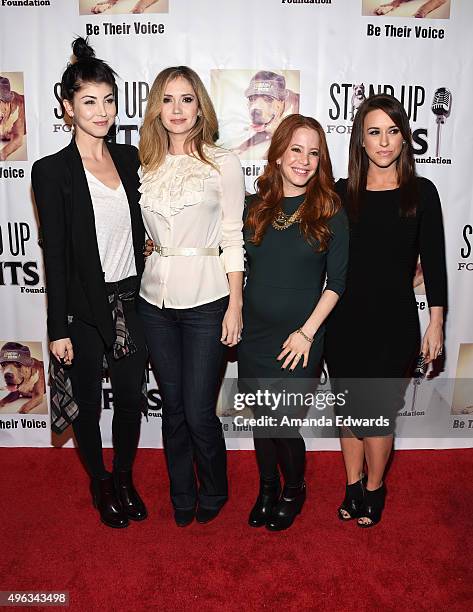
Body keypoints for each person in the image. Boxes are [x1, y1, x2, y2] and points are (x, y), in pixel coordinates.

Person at [31, 38, 148, 529]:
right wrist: (57, 327)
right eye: (88, 101)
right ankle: (100, 483)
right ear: (67, 107)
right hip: (82, 310)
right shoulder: (50, 171)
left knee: (130, 398)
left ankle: (123, 476)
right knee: (86, 406)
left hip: (132, 302)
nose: (101, 111)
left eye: (108, 100)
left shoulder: (130, 157)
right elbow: (53, 256)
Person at [325, 94, 447, 527]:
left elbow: (433, 261)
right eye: (374, 132)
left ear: (404, 138)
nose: (384, 141)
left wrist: (436, 321)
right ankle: (352, 484)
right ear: (361, 138)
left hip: (393, 324)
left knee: (376, 414)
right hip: (344, 323)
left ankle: (375, 486)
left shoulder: (422, 192)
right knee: (348, 412)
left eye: (393, 131)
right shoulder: (342, 192)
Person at [137, 66, 245, 527]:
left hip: (207, 301)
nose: (177, 109)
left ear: (200, 106)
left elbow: (234, 236)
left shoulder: (224, 163)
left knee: (200, 412)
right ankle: (182, 494)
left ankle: (215, 489)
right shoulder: (147, 165)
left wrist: (236, 305)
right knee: (173, 409)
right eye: (167, 99)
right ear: (156, 108)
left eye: (186, 99)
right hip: (153, 303)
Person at [239, 114, 349, 531]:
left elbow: (336, 283)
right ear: (279, 153)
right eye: (296, 149)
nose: (304, 160)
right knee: (261, 419)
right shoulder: (255, 206)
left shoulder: (330, 209)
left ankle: (293, 488)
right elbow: (235, 265)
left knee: (283, 422)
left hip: (300, 338)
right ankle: (267, 488)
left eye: (314, 153)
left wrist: (307, 333)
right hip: (254, 335)